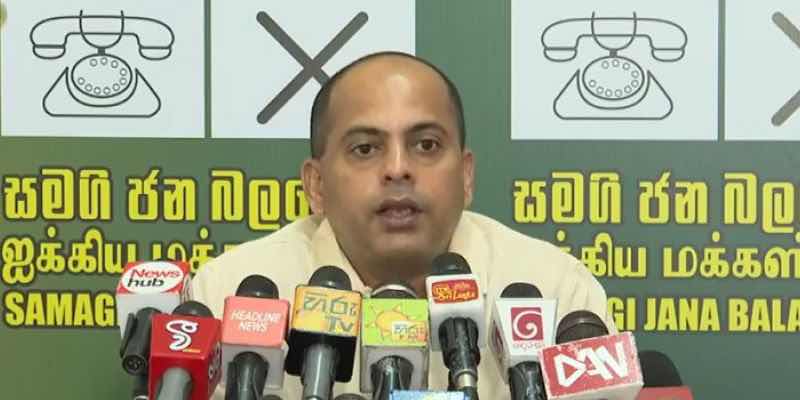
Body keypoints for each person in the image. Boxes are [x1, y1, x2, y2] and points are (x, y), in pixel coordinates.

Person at [192, 51, 614, 399]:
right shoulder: (228, 296)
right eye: (365, 148)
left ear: (466, 176)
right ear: (316, 185)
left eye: (426, 145)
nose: (397, 168)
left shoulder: (557, 292)